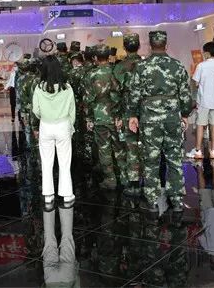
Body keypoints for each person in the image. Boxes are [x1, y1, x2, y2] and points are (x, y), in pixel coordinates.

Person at [128, 31, 193, 213]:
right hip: (172, 118)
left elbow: (134, 94)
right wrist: (184, 114)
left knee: (151, 159)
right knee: (174, 159)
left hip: (149, 119)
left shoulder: (141, 67)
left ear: (150, 46)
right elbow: (185, 95)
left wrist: (132, 114)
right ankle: (177, 200)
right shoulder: (177, 66)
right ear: (166, 45)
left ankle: (152, 199)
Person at [32, 55, 77, 207]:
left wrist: (45, 116)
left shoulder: (39, 88)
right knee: (64, 162)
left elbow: (36, 110)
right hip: (63, 126)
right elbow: (72, 111)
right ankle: (67, 194)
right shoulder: (67, 88)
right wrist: (70, 126)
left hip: (46, 126)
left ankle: (48, 195)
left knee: (46, 162)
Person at [84, 44, 125, 190]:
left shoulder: (91, 75)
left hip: (99, 116)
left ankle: (110, 179)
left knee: (104, 149)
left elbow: (88, 99)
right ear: (108, 57)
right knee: (120, 148)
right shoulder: (117, 72)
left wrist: (89, 119)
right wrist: (121, 115)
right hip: (117, 117)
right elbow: (123, 95)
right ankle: (124, 178)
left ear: (95, 57)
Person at [113, 33, 143, 198]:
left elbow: (115, 94)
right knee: (148, 147)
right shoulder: (146, 64)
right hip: (146, 112)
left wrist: (117, 115)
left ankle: (133, 183)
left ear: (124, 48)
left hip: (127, 112)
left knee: (131, 147)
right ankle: (149, 182)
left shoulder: (119, 67)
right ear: (139, 46)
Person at [188, 42, 214, 160]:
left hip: (203, 101)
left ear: (207, 53)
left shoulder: (201, 66)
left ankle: (198, 151)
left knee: (200, 125)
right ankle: (213, 151)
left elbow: (195, 82)